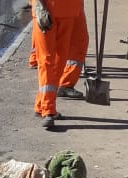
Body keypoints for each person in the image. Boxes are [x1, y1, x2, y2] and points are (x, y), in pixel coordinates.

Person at [32, 0, 85, 130]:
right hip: (49, 9)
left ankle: (42, 105)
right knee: (47, 60)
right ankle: (48, 109)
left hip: (66, 11)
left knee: (58, 61)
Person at [30, 10, 88, 102]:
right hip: (53, 7)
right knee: (50, 55)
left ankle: (65, 84)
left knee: (78, 42)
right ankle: (46, 105)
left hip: (72, 7)